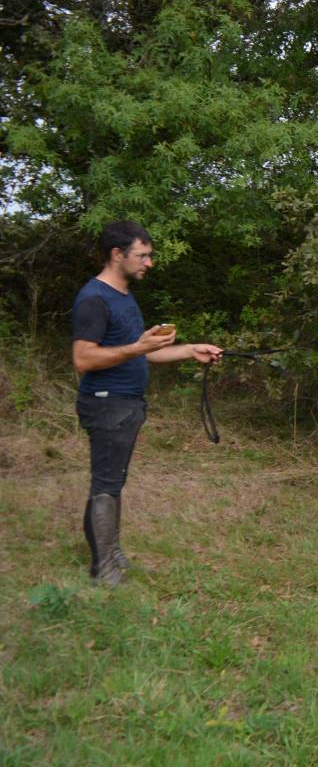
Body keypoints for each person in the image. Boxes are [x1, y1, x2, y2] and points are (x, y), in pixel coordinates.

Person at [71, 221, 223, 585]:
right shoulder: (94, 299)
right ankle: (103, 568)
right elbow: (84, 359)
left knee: (114, 481)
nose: (149, 263)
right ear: (117, 254)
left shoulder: (123, 296)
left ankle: (112, 553)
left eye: (150, 255)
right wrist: (139, 347)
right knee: (105, 484)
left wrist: (190, 350)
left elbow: (140, 355)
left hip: (126, 405)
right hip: (106, 404)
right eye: (143, 255)